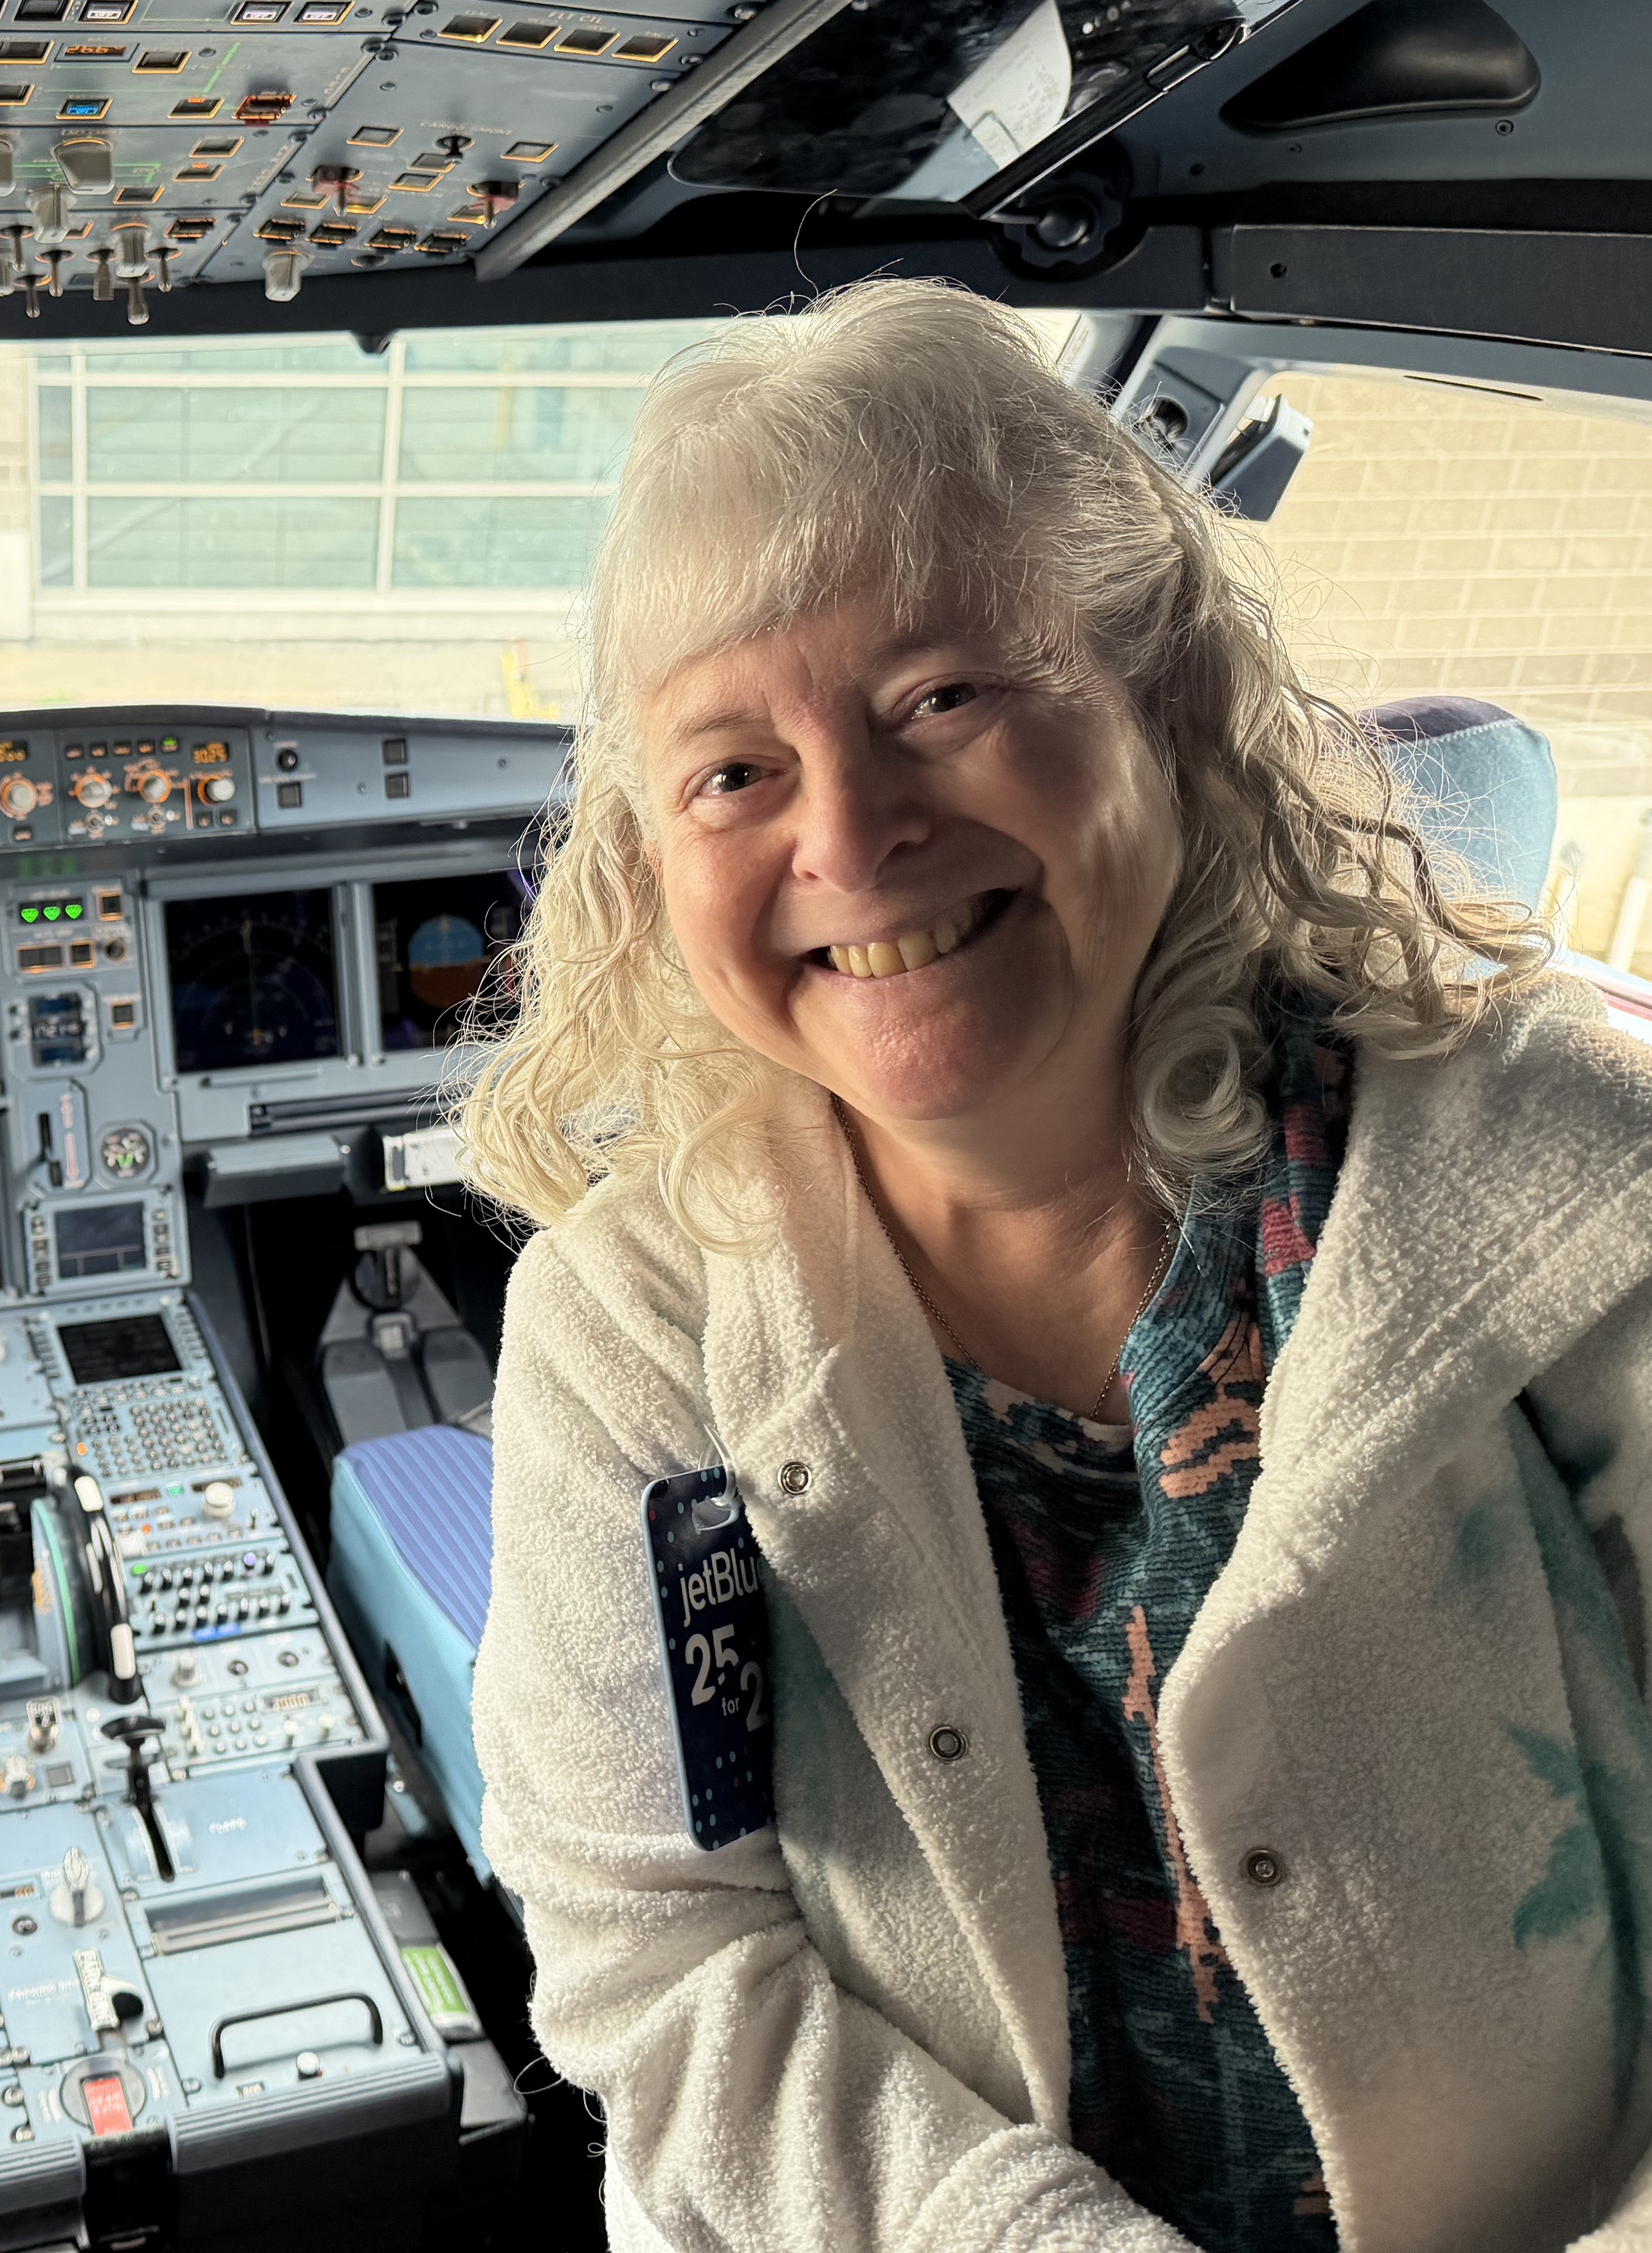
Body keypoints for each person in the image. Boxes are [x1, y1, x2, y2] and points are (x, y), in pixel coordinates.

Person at [457, 278, 1652, 2253]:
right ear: (651, 864)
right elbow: (664, 1974)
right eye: (733, 770)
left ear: (1160, 705)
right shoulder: (626, 1333)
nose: (853, 828)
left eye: (942, 695)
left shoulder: (1561, 1173)